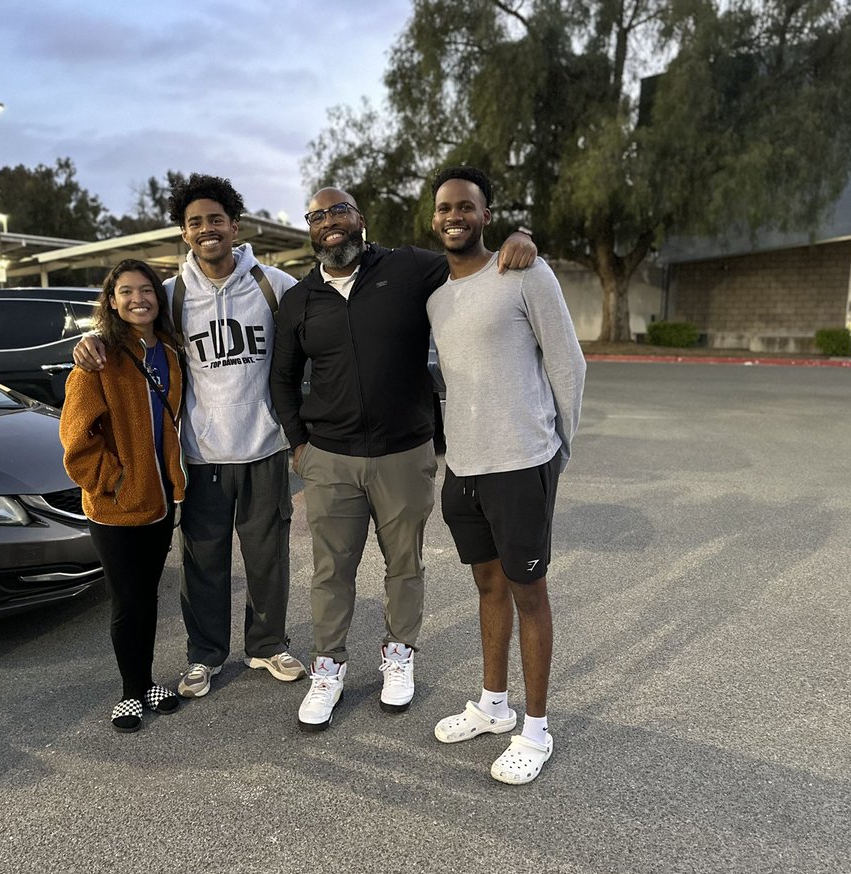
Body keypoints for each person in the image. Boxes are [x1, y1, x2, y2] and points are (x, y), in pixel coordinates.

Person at [269, 187, 537, 732]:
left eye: (338, 210)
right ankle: (329, 668)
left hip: (404, 453)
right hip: (331, 458)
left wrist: (522, 237)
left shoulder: (410, 269)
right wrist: (299, 444)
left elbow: (474, 260)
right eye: (317, 216)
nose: (329, 222)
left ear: (360, 219)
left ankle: (399, 657)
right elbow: (281, 379)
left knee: (404, 565)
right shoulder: (299, 299)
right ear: (311, 230)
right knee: (331, 572)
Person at [73, 174, 305, 700]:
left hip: (265, 447)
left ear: (234, 226)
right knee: (203, 563)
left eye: (216, 219)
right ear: (184, 232)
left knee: (268, 558)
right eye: (195, 222)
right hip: (199, 456)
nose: (207, 230)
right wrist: (86, 343)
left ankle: (267, 644)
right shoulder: (172, 295)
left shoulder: (274, 285)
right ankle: (205, 654)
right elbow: (126, 331)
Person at [425, 166, 586, 784]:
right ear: (435, 217)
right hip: (462, 468)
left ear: (485, 215)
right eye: (444, 207)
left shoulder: (524, 272)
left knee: (529, 594)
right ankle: (494, 705)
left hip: (521, 463)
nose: (454, 215)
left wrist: (558, 451)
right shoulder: (436, 295)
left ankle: (537, 729)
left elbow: (567, 365)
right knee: (487, 589)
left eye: (466, 206)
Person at [60, 258, 188, 732]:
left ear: (159, 297)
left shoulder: (170, 357)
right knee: (127, 599)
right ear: (111, 301)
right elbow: (75, 441)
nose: (139, 299)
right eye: (127, 292)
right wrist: (114, 482)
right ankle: (130, 692)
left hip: (158, 503)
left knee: (148, 596)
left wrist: (173, 483)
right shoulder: (98, 359)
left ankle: (147, 679)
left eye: (147, 290)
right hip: (115, 507)